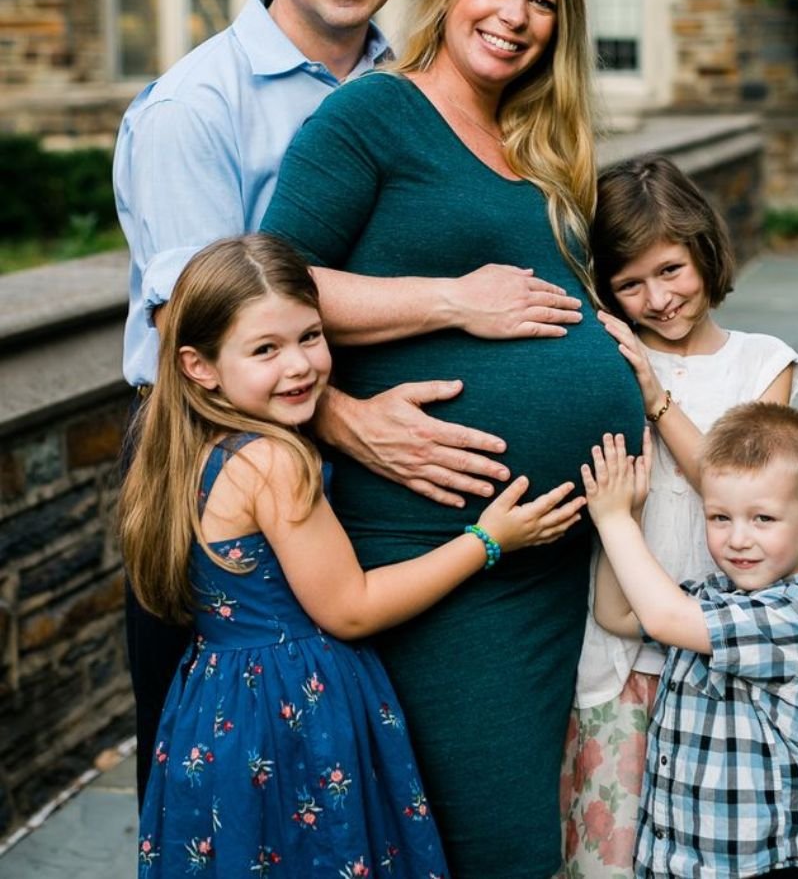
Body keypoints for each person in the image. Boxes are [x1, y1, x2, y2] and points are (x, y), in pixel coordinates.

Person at [113, 0, 574, 801]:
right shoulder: (194, 109)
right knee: (211, 773)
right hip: (208, 485)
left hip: (348, 502)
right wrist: (353, 420)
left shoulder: (414, 86)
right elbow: (199, 330)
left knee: (325, 772)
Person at [260, 0, 645, 878]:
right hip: (438, 551)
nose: (515, 15)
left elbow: (551, 303)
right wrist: (448, 303)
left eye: (543, 1)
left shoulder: (539, 148)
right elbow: (264, 287)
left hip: (551, 560)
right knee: (493, 843)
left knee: (523, 832)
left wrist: (615, 345)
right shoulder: (377, 114)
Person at [121, 233, 587, 878]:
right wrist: (487, 541)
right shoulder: (274, 461)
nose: (300, 366)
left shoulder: (184, 449)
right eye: (265, 349)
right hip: (293, 711)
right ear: (199, 365)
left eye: (310, 336)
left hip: (215, 707)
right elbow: (351, 608)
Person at [562, 154, 798, 875]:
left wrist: (656, 397)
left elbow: (739, 486)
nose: (657, 297)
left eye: (670, 269)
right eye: (630, 283)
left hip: (717, 654)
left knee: (713, 848)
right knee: (609, 844)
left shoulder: (763, 365)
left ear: (703, 248)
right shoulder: (611, 351)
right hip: (619, 649)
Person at [582, 404, 798, 878]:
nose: (738, 539)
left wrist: (613, 519)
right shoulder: (710, 598)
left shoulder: (796, 614)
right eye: (720, 517)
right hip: (682, 861)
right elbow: (616, 613)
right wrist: (633, 516)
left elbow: (662, 618)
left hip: (765, 865)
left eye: (762, 519)